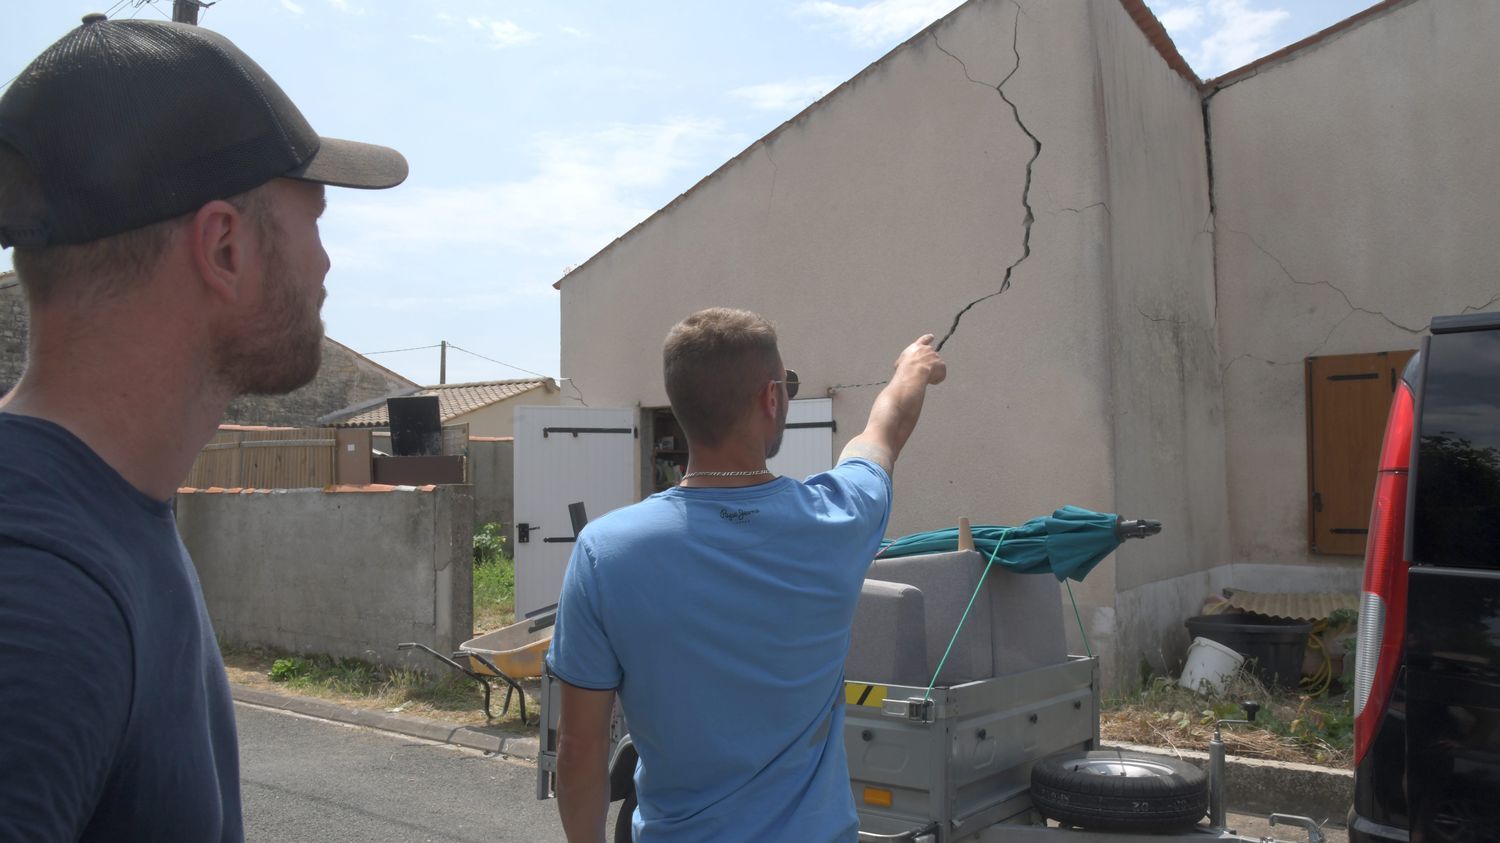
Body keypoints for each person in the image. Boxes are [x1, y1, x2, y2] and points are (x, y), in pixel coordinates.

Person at [0, 15, 406, 842]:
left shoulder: (111, 509)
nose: (326, 263)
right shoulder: (40, 590)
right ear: (224, 246)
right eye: (315, 219)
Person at [548, 307, 946, 842]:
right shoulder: (837, 519)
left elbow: (580, 748)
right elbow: (883, 432)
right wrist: (911, 369)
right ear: (771, 399)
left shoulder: (606, 551)